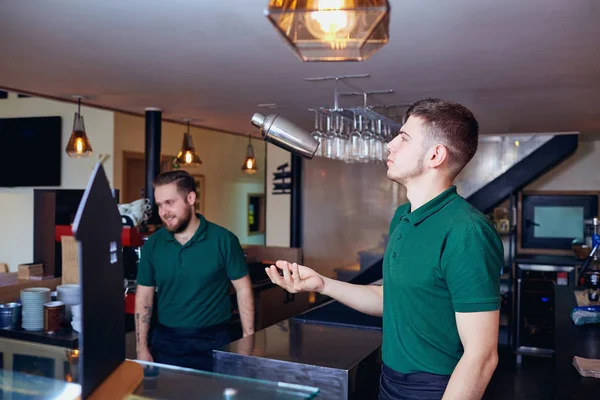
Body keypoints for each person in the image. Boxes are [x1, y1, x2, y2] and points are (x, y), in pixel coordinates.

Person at [265, 98, 503, 400]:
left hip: (437, 389)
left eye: (403, 138)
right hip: (389, 381)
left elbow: (481, 357)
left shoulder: (466, 231)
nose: (390, 145)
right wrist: (322, 284)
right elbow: (390, 298)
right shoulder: (402, 218)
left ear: (435, 155)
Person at [135, 170, 254, 372]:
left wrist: (247, 340)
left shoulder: (224, 240)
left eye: (170, 203)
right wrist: (141, 348)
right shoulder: (153, 245)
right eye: (159, 205)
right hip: (166, 344)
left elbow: (243, 290)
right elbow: (144, 297)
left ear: (191, 198)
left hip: (215, 342)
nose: (163, 212)